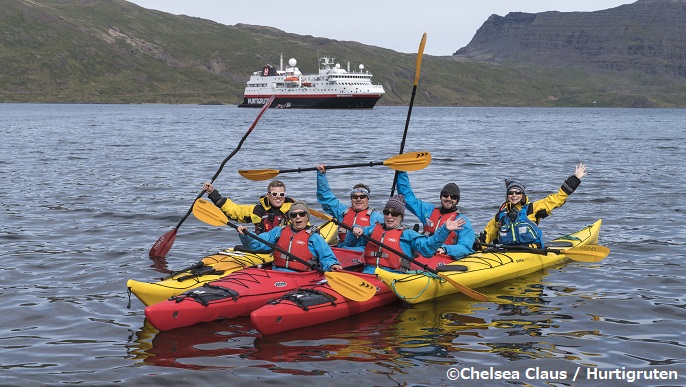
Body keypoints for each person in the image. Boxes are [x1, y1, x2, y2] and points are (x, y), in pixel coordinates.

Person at [478, 163, 588, 248]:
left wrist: (575, 179)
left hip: (531, 251)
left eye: (518, 193)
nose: (514, 195)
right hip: (506, 251)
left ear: (522, 195)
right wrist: (476, 246)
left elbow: (557, 199)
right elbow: (487, 235)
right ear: (507, 196)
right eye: (511, 193)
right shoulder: (501, 216)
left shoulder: (533, 209)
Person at [352, 195, 466, 274]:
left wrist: (445, 229)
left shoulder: (408, 235)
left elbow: (428, 248)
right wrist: (356, 228)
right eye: (387, 213)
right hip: (368, 272)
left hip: (393, 276)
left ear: (401, 217)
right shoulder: (372, 229)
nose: (389, 217)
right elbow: (349, 242)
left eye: (395, 214)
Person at [236, 201, 342, 272]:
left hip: (301, 276)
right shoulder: (279, 231)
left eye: (302, 214)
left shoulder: (315, 237)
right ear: (290, 218)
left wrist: (332, 265)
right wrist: (246, 234)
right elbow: (258, 244)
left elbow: (326, 257)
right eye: (294, 215)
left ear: (307, 217)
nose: (298, 217)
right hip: (276, 273)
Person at [395, 171, 475, 260]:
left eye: (453, 197)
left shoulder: (462, 221)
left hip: (444, 257)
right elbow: (407, 198)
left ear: (457, 200)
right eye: (445, 195)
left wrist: (445, 249)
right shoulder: (429, 210)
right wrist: (402, 171)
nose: (449, 199)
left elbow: (466, 248)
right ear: (440, 197)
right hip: (424, 252)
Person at [316, 164, 384, 250]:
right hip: (343, 249)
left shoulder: (377, 217)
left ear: (367, 199)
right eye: (355, 197)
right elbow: (325, 197)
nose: (358, 199)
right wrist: (321, 175)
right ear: (351, 199)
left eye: (362, 197)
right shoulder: (342, 211)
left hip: (363, 251)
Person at [203, 180, 296, 234]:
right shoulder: (257, 210)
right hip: (262, 247)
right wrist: (213, 194)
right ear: (268, 195)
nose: (278, 197)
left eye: (281, 194)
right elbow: (235, 211)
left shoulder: (294, 211)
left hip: (285, 249)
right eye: (274, 194)